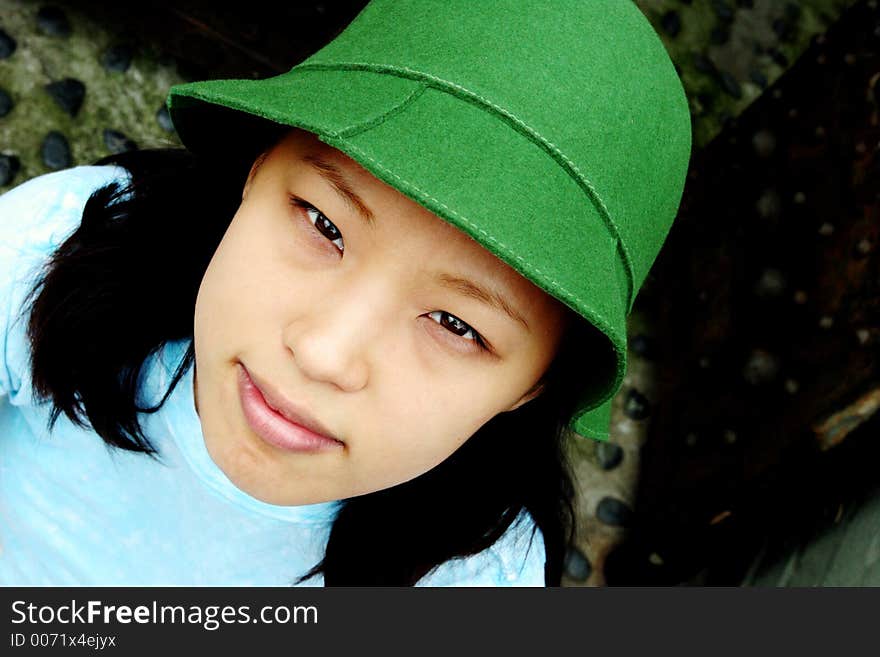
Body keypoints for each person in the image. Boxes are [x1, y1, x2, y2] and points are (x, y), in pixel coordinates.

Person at [0, 0, 690, 586]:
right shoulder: (60, 251)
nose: (326, 353)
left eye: (454, 323)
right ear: (260, 161)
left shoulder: (473, 572)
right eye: (324, 223)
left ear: (534, 384)